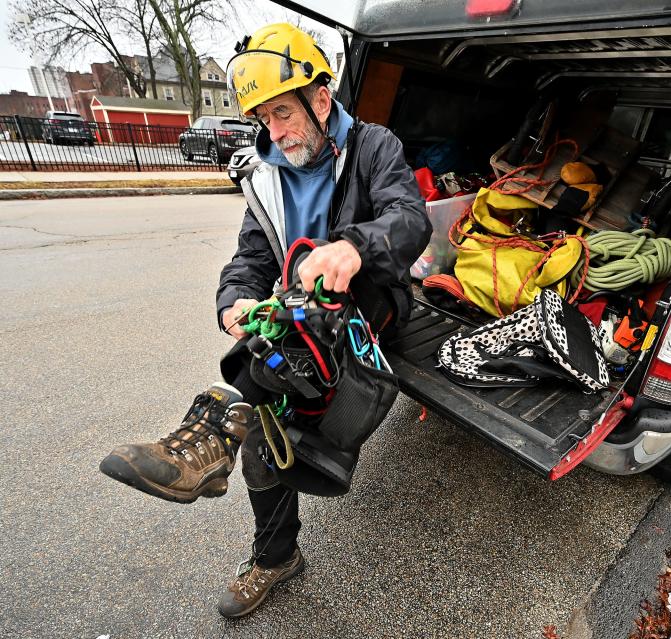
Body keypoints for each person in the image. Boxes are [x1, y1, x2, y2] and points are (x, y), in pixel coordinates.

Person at [98, 23, 430, 618]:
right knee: (260, 428)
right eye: (263, 117)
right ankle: (275, 554)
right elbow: (252, 256)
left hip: (373, 298)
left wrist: (353, 247)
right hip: (302, 318)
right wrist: (234, 300)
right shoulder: (264, 171)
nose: (274, 131)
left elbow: (410, 218)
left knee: (297, 337)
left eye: (283, 112)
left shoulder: (374, 146)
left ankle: (210, 432)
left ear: (320, 99)